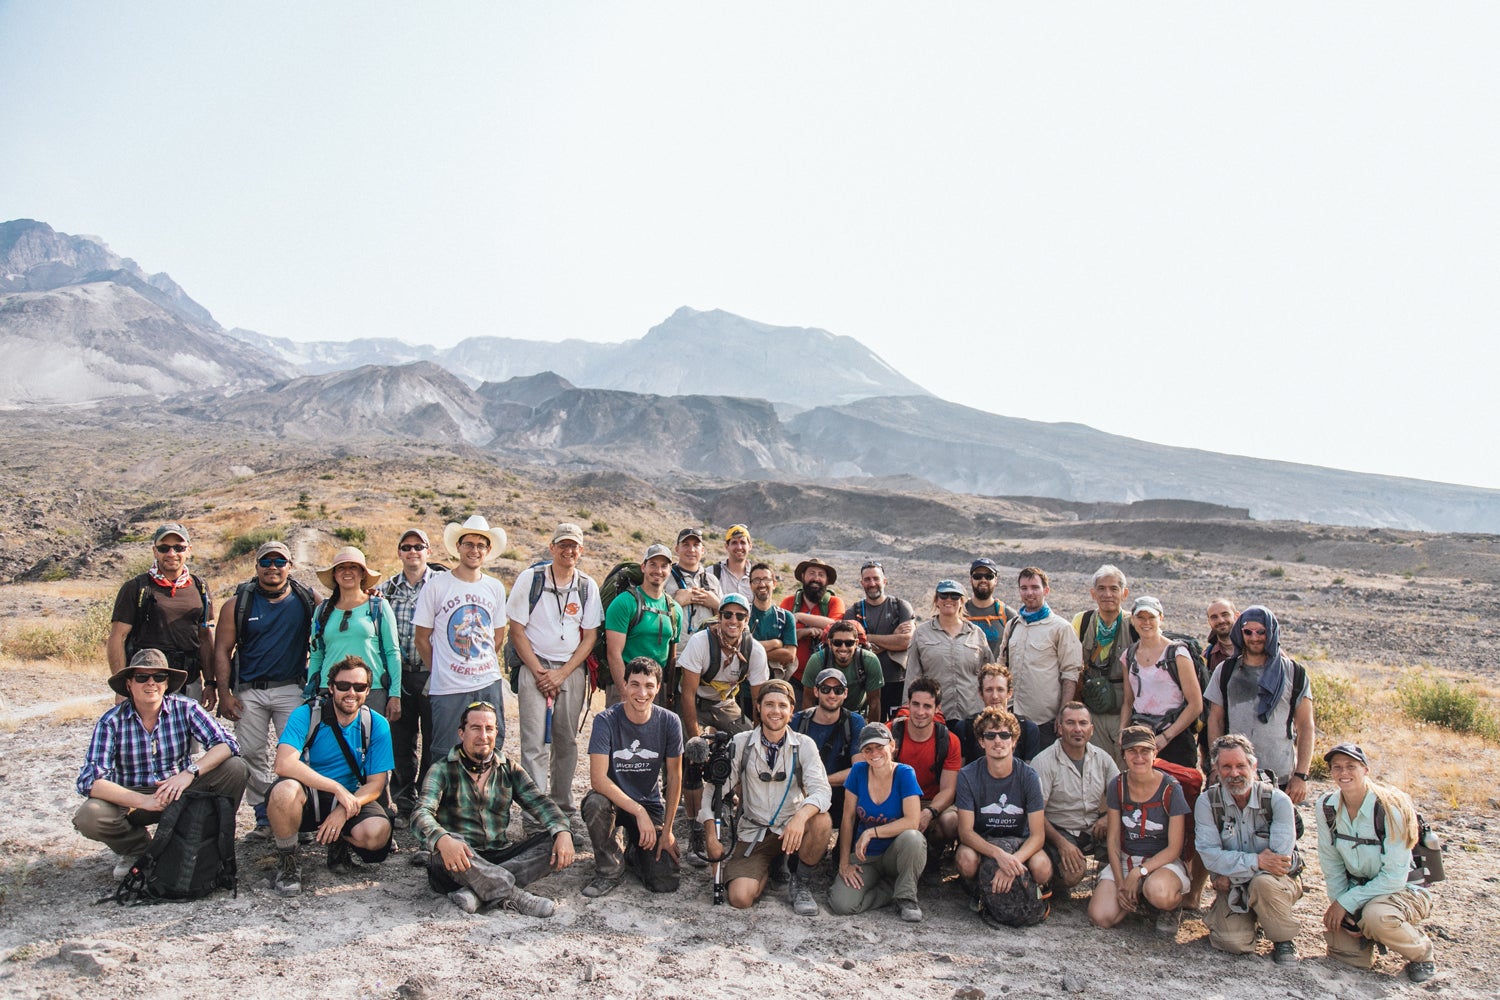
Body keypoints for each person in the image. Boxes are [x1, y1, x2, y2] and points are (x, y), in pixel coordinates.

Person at [74, 650, 249, 879]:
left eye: (158, 677)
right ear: (129, 684)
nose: (151, 683)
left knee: (236, 768)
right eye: (141, 677)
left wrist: (190, 773)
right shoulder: (111, 722)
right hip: (133, 797)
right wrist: (144, 801)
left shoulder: (186, 708)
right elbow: (90, 780)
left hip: (180, 789)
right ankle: (137, 849)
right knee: (90, 815)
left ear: (167, 684)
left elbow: (227, 743)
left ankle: (206, 840)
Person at [411, 700, 570, 916]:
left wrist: (562, 830)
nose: (483, 736)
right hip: (457, 859)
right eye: (475, 728)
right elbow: (420, 813)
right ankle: (515, 897)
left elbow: (540, 803)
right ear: (461, 733)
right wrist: (443, 839)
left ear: (496, 732)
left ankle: (475, 894)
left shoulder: (509, 768)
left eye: (489, 728)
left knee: (556, 842)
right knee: (443, 851)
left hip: (500, 854)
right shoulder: (441, 769)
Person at [211, 540, 318, 839]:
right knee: (252, 754)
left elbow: (339, 611)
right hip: (249, 691)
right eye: (266, 562)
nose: (273, 567)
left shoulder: (306, 598)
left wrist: (370, 595)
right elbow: (222, 650)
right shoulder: (238, 603)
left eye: (280, 562)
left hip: (292, 689)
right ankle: (263, 817)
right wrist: (224, 694)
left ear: (290, 566)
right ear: (256, 566)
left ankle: (298, 813)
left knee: (295, 754)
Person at [700, 680, 833, 916]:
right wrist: (711, 835)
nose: (776, 711)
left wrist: (801, 817)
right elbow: (715, 789)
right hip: (754, 832)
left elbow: (822, 791)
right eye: (769, 704)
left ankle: (801, 883)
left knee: (822, 820)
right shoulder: (741, 743)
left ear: (792, 711)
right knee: (740, 898)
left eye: (783, 705)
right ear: (758, 707)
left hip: (792, 831)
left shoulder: (805, 745)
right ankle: (770, 867)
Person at [267, 656, 395, 896]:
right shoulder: (306, 714)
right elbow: (283, 763)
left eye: (359, 687)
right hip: (308, 795)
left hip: (350, 798)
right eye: (344, 685)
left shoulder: (375, 724)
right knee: (283, 792)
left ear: (368, 690)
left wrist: (343, 809)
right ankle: (288, 861)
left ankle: (340, 842)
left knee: (377, 833)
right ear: (331, 687)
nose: (351, 693)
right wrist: (336, 788)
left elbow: (376, 784)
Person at [1316, 743, 1438, 984]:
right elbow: (1331, 864)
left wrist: (1348, 903)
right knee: (1346, 955)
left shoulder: (1391, 807)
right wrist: (1343, 908)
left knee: (1376, 917)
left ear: (1365, 770)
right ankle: (1370, 932)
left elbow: (1394, 878)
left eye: (1351, 766)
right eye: (1337, 767)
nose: (1343, 773)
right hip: (1356, 889)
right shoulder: (1326, 806)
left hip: (1403, 890)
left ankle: (1422, 954)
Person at [507, 523, 603, 826]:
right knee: (533, 743)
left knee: (566, 741)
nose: (568, 550)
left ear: (582, 550)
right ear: (551, 547)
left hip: (570, 671)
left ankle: (563, 808)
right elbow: (517, 630)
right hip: (533, 667)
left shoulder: (587, 586)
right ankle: (535, 815)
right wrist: (540, 672)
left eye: (574, 545)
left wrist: (561, 674)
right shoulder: (531, 579)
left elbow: (590, 636)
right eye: (563, 544)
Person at [1196, 734, 1303, 964]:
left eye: (1240, 766)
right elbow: (1209, 857)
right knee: (1233, 943)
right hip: (1234, 887)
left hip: (1273, 882)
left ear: (1253, 766)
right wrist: (1256, 861)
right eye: (1226, 766)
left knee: (1263, 882)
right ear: (1216, 768)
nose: (1234, 773)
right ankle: (1254, 922)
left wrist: (1231, 869)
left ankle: (1283, 940)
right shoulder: (1207, 803)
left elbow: (1278, 862)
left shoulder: (1278, 801)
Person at [581, 657, 683, 898]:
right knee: (595, 804)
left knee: (665, 881)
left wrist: (667, 831)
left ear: (658, 688)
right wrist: (638, 812)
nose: (642, 692)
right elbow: (598, 780)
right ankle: (609, 869)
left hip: (649, 803)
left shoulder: (670, 722)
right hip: (613, 801)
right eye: (635, 684)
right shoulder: (605, 721)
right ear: (624, 685)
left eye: (649, 685)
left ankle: (635, 852)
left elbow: (675, 778)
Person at [679, 591, 769, 859]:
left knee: (749, 751)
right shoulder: (700, 643)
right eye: (727, 614)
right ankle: (695, 826)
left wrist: (756, 736)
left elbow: (758, 699)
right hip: (694, 701)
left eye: (739, 616)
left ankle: (739, 812)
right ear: (719, 617)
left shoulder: (754, 650)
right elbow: (687, 693)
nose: (733, 620)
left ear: (747, 620)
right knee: (692, 758)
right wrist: (696, 739)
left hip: (723, 703)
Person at [415, 515, 509, 763]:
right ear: (458, 546)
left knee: (490, 745)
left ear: (487, 550)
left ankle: (485, 799)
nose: (474, 550)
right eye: (468, 543)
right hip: (449, 686)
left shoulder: (495, 587)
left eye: (480, 545)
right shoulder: (436, 586)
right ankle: (444, 801)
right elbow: (422, 638)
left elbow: (497, 635)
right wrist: (441, 667)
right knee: (445, 750)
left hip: (488, 682)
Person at [1205, 605, 1314, 804]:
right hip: (1234, 774)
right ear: (1240, 633)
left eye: (1261, 631)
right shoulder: (1225, 671)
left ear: (1271, 632)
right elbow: (1215, 720)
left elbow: (1306, 726)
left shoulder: (1294, 673)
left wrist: (1301, 776)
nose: (1254, 637)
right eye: (1248, 632)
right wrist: (1215, 767)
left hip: (1280, 775)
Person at [955, 707, 1052, 925]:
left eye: (1004, 735)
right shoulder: (967, 775)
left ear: (1014, 740)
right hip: (984, 841)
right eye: (990, 735)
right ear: (981, 742)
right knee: (966, 861)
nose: (998, 741)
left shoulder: (1029, 776)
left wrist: (1013, 862)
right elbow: (966, 832)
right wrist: (999, 856)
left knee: (1043, 868)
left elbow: (1038, 835)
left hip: (1019, 841)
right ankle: (980, 891)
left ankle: (1031, 892)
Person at [1089, 725, 1191, 932]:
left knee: (1160, 892)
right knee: (1101, 917)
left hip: (1162, 862)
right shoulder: (1117, 785)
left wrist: (1139, 873)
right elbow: (1114, 840)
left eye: (1145, 751)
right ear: (1124, 755)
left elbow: (1174, 847)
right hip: (1128, 858)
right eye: (1132, 751)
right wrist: (1121, 883)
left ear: (1155, 753)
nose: (1139, 757)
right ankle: (1136, 899)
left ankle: (1168, 906)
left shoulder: (1171, 788)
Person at [828, 722, 927, 922]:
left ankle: (906, 897)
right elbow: (848, 818)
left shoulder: (904, 773)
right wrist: (844, 862)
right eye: (868, 749)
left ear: (892, 745)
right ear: (863, 753)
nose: (874, 753)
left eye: (879, 747)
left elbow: (913, 821)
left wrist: (871, 832)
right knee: (842, 904)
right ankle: (890, 892)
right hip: (867, 856)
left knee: (913, 838)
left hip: (896, 853)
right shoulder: (858, 772)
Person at [107, 523, 214, 704]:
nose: (171, 554)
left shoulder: (200, 587)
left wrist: (211, 682)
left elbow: (205, 638)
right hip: (148, 683)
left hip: (190, 682)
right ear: (155, 551)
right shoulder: (136, 587)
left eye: (178, 548)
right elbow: (118, 637)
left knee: (187, 732)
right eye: (164, 548)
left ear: (188, 550)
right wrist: (121, 687)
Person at [380, 528, 444, 828]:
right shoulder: (386, 589)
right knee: (400, 743)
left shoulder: (443, 585)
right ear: (399, 552)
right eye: (406, 547)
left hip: (434, 673)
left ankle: (427, 802)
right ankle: (403, 802)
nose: (412, 552)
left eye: (419, 546)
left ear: (428, 551)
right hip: (399, 676)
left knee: (434, 741)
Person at [307, 546, 402, 721]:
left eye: (353, 567)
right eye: (342, 567)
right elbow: (316, 655)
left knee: (369, 744)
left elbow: (392, 652)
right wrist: (309, 693)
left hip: (370, 690)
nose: (347, 572)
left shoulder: (379, 606)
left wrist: (395, 695)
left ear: (363, 573)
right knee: (330, 745)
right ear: (335, 575)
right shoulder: (322, 610)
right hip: (329, 689)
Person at [1031, 702, 1118, 892]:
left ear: (1091, 729)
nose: (1077, 729)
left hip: (1094, 827)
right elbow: (1036, 814)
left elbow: (1122, 797)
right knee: (1073, 873)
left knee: (1128, 836)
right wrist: (1062, 844)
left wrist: (1107, 818)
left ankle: (1110, 884)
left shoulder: (1103, 759)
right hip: (1058, 829)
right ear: (1060, 728)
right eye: (1070, 723)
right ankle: (1044, 885)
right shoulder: (1043, 762)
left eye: (1083, 723)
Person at [1001, 567, 1083, 752]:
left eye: (1035, 587)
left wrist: (1063, 715)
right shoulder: (1012, 625)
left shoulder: (1061, 628)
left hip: (1044, 722)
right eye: (1024, 588)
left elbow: (1070, 674)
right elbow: (1002, 666)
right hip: (1012, 716)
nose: (1029, 593)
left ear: (1046, 590)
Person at [1118, 596, 1203, 769]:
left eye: (1151, 617)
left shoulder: (1177, 654)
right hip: (1142, 738)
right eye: (1141, 617)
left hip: (1176, 740)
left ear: (1160, 618)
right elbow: (1129, 701)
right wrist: (1123, 731)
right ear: (1133, 619)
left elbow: (1196, 704)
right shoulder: (1128, 656)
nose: (1146, 622)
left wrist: (1166, 737)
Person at [792, 666, 868, 838]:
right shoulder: (798, 722)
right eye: (825, 689)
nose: (832, 695)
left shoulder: (854, 722)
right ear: (816, 691)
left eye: (838, 690)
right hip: (803, 793)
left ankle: (844, 850)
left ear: (846, 693)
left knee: (862, 791)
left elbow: (859, 769)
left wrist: (820, 783)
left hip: (840, 792)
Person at [891, 677, 962, 861]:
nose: (920, 712)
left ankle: (935, 853)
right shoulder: (891, 733)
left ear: (937, 708)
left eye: (927, 706)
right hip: (896, 799)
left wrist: (929, 812)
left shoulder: (949, 741)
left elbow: (948, 789)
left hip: (931, 800)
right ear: (908, 704)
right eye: (915, 704)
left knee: (951, 821)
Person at [1072, 565, 1137, 768]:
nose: (1107, 594)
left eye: (1113, 589)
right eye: (1101, 588)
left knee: (1126, 771)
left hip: (1126, 713)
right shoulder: (1082, 622)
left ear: (1124, 593)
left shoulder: (1135, 624)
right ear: (1093, 593)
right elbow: (1072, 666)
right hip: (1093, 714)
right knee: (1097, 770)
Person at [604, 543, 683, 706]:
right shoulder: (625, 602)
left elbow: (671, 656)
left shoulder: (675, 609)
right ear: (643, 567)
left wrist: (669, 692)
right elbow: (613, 652)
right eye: (653, 564)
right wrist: (624, 691)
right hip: (625, 682)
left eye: (664, 566)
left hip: (655, 687)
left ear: (670, 570)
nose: (658, 571)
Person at [904, 580, 989, 724]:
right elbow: (912, 676)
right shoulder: (921, 634)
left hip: (973, 715)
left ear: (962, 602)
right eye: (944, 595)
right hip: (935, 716)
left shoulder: (977, 634)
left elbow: (988, 675)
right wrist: (906, 713)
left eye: (955, 596)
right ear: (936, 601)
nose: (949, 599)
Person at [843, 561, 914, 719]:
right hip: (865, 684)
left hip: (898, 682)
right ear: (862, 583)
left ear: (884, 581)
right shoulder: (852, 613)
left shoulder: (901, 607)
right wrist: (892, 638)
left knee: (898, 730)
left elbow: (906, 641)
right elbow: (851, 648)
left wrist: (866, 637)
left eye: (876, 578)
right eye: (867, 579)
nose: (872, 583)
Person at [955, 664, 1041, 764]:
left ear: (1009, 693)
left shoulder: (1028, 729)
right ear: (980, 693)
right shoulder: (964, 728)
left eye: (1000, 690)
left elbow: (1029, 773)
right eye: (989, 690)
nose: (995, 696)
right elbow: (959, 774)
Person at [780, 558, 845, 685]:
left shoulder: (834, 602)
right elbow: (779, 635)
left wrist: (799, 617)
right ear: (803, 576)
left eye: (821, 575)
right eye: (812, 573)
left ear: (827, 580)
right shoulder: (788, 602)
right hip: (792, 677)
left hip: (827, 679)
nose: (816, 578)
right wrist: (805, 632)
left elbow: (836, 627)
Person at [800, 619, 882, 717]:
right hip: (823, 714)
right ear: (830, 643)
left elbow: (874, 703)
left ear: (856, 643)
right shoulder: (817, 660)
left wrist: (871, 731)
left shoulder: (869, 660)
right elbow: (808, 701)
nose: (843, 648)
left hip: (855, 714)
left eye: (849, 643)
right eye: (838, 642)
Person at [665, 527, 722, 635]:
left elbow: (726, 619)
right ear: (677, 549)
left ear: (702, 550)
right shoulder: (665, 578)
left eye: (696, 545)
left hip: (706, 650)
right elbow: (653, 619)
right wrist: (676, 604)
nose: (691, 550)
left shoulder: (712, 581)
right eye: (686, 544)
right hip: (675, 650)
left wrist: (717, 605)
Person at [748, 561, 799, 678]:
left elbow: (790, 656)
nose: (761, 584)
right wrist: (775, 643)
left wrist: (750, 650)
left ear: (774, 584)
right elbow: (738, 648)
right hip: (744, 685)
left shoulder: (785, 617)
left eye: (766, 579)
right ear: (750, 585)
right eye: (756, 580)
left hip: (772, 684)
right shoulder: (743, 614)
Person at [963, 557, 1013, 661]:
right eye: (978, 576)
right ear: (970, 580)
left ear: (996, 580)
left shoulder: (1007, 614)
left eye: (989, 576)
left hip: (995, 675)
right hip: (966, 676)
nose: (983, 580)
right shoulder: (960, 611)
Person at [711, 523, 755, 601]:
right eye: (734, 543)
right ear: (727, 546)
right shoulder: (712, 573)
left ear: (750, 546)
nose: (739, 547)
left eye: (743, 542)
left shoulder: (757, 574)